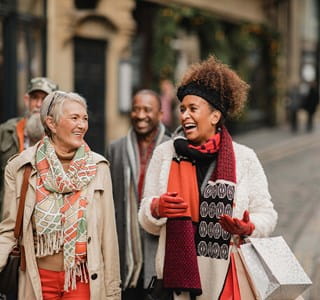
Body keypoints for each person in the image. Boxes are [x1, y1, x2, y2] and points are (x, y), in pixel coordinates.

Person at [138, 56, 278, 300]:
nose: (185, 116)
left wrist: (248, 227)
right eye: (182, 109)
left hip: (226, 278)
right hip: (176, 280)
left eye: (193, 109)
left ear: (215, 116)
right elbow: (145, 217)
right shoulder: (164, 153)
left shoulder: (244, 158)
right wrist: (156, 208)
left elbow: (267, 214)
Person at [0, 91, 121, 300]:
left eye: (84, 119)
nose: (82, 125)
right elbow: (9, 229)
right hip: (37, 279)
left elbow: (108, 237)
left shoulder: (98, 167)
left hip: (82, 279)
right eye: (74, 118)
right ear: (52, 124)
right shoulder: (21, 167)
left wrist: (112, 293)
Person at [107, 89, 171, 299]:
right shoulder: (115, 149)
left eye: (147, 109)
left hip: (161, 251)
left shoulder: (174, 149)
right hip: (125, 251)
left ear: (160, 114)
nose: (140, 115)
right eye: (136, 109)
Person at [0, 77, 58, 219]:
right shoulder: (6, 132)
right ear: (27, 100)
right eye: (34, 98)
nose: (38, 105)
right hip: (9, 216)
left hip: (45, 219)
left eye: (44, 99)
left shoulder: (61, 137)